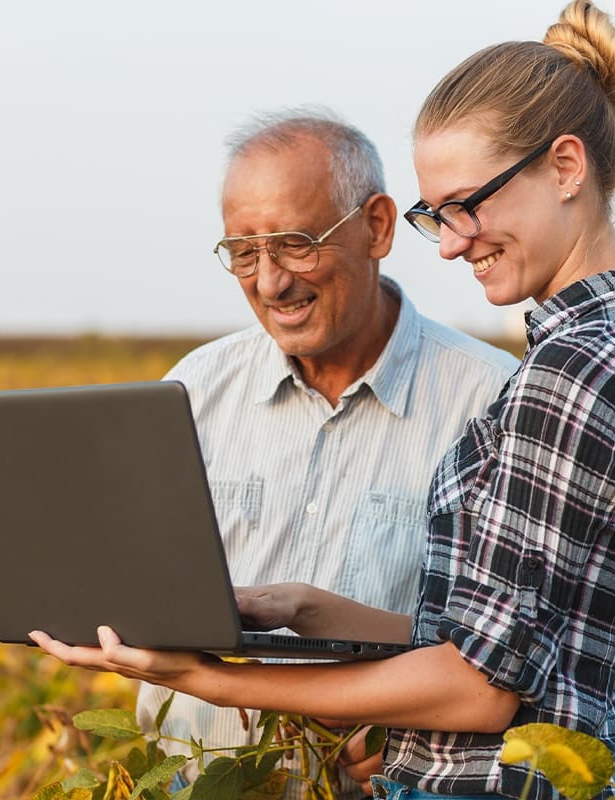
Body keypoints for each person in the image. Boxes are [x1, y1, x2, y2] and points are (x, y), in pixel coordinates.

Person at [32, 3, 615, 798]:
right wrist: (303, 608)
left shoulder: (579, 366)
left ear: (565, 168)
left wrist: (213, 679)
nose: (451, 242)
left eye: (467, 204)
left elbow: (481, 688)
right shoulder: (604, 347)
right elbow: (502, 645)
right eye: (437, 216)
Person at [136, 109, 519, 798]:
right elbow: (144, 595)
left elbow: (500, 658)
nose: (270, 282)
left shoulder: (489, 401)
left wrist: (406, 724)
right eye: (243, 253)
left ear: (376, 227)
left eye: (295, 243)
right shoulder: (192, 391)